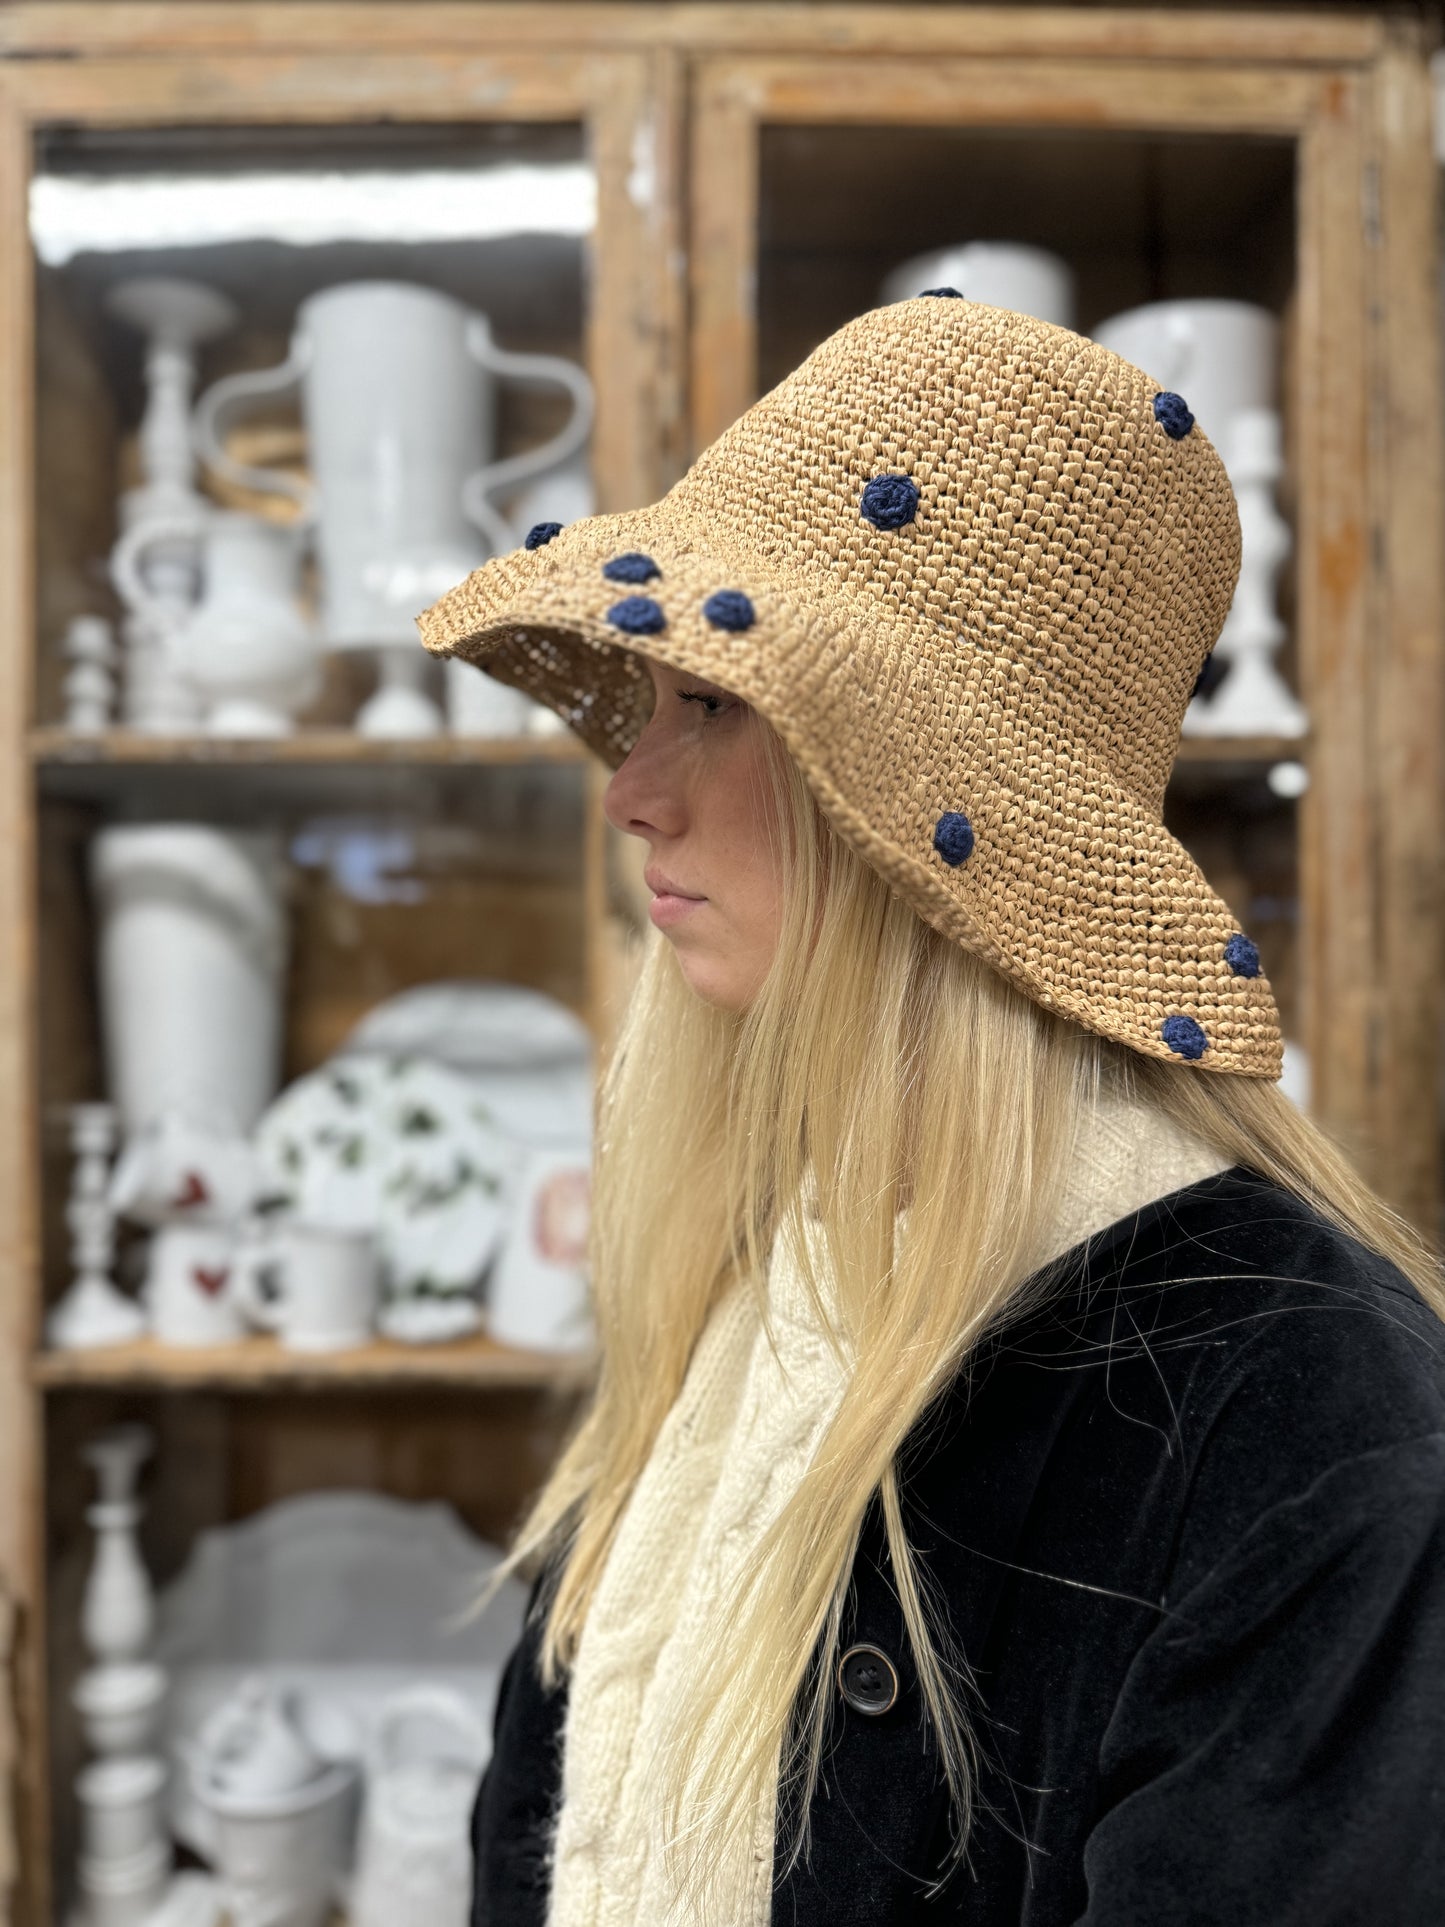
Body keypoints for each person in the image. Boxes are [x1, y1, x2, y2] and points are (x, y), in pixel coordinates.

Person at [419, 297, 1445, 1925]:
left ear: (904, 786)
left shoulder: (1297, 1401)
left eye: (716, 700)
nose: (630, 788)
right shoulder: (770, 1252)